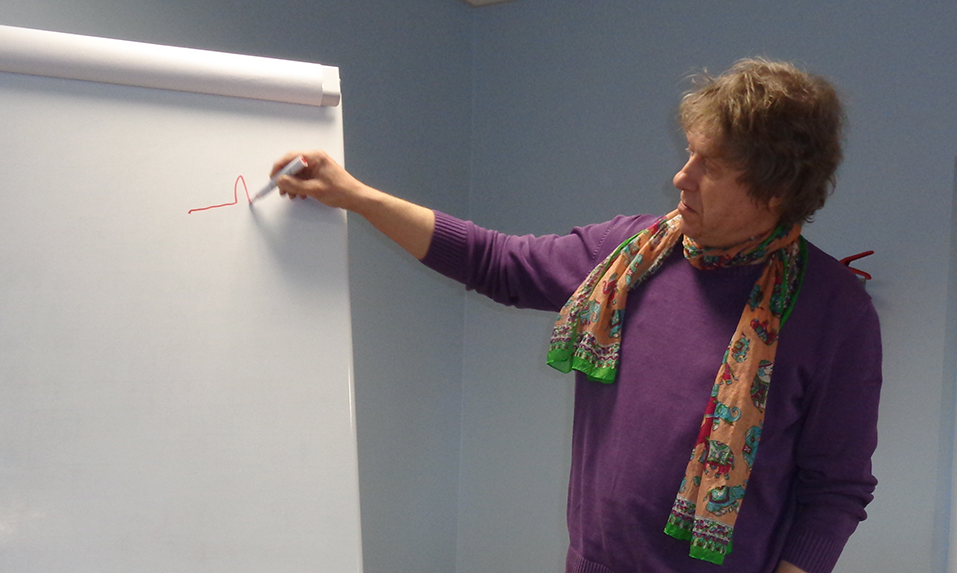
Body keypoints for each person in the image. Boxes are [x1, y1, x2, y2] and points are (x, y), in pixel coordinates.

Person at [269, 58, 880, 573]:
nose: (681, 176)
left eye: (710, 167)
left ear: (774, 192)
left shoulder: (834, 312)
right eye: (690, 154)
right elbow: (497, 262)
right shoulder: (628, 257)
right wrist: (356, 196)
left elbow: (835, 489)